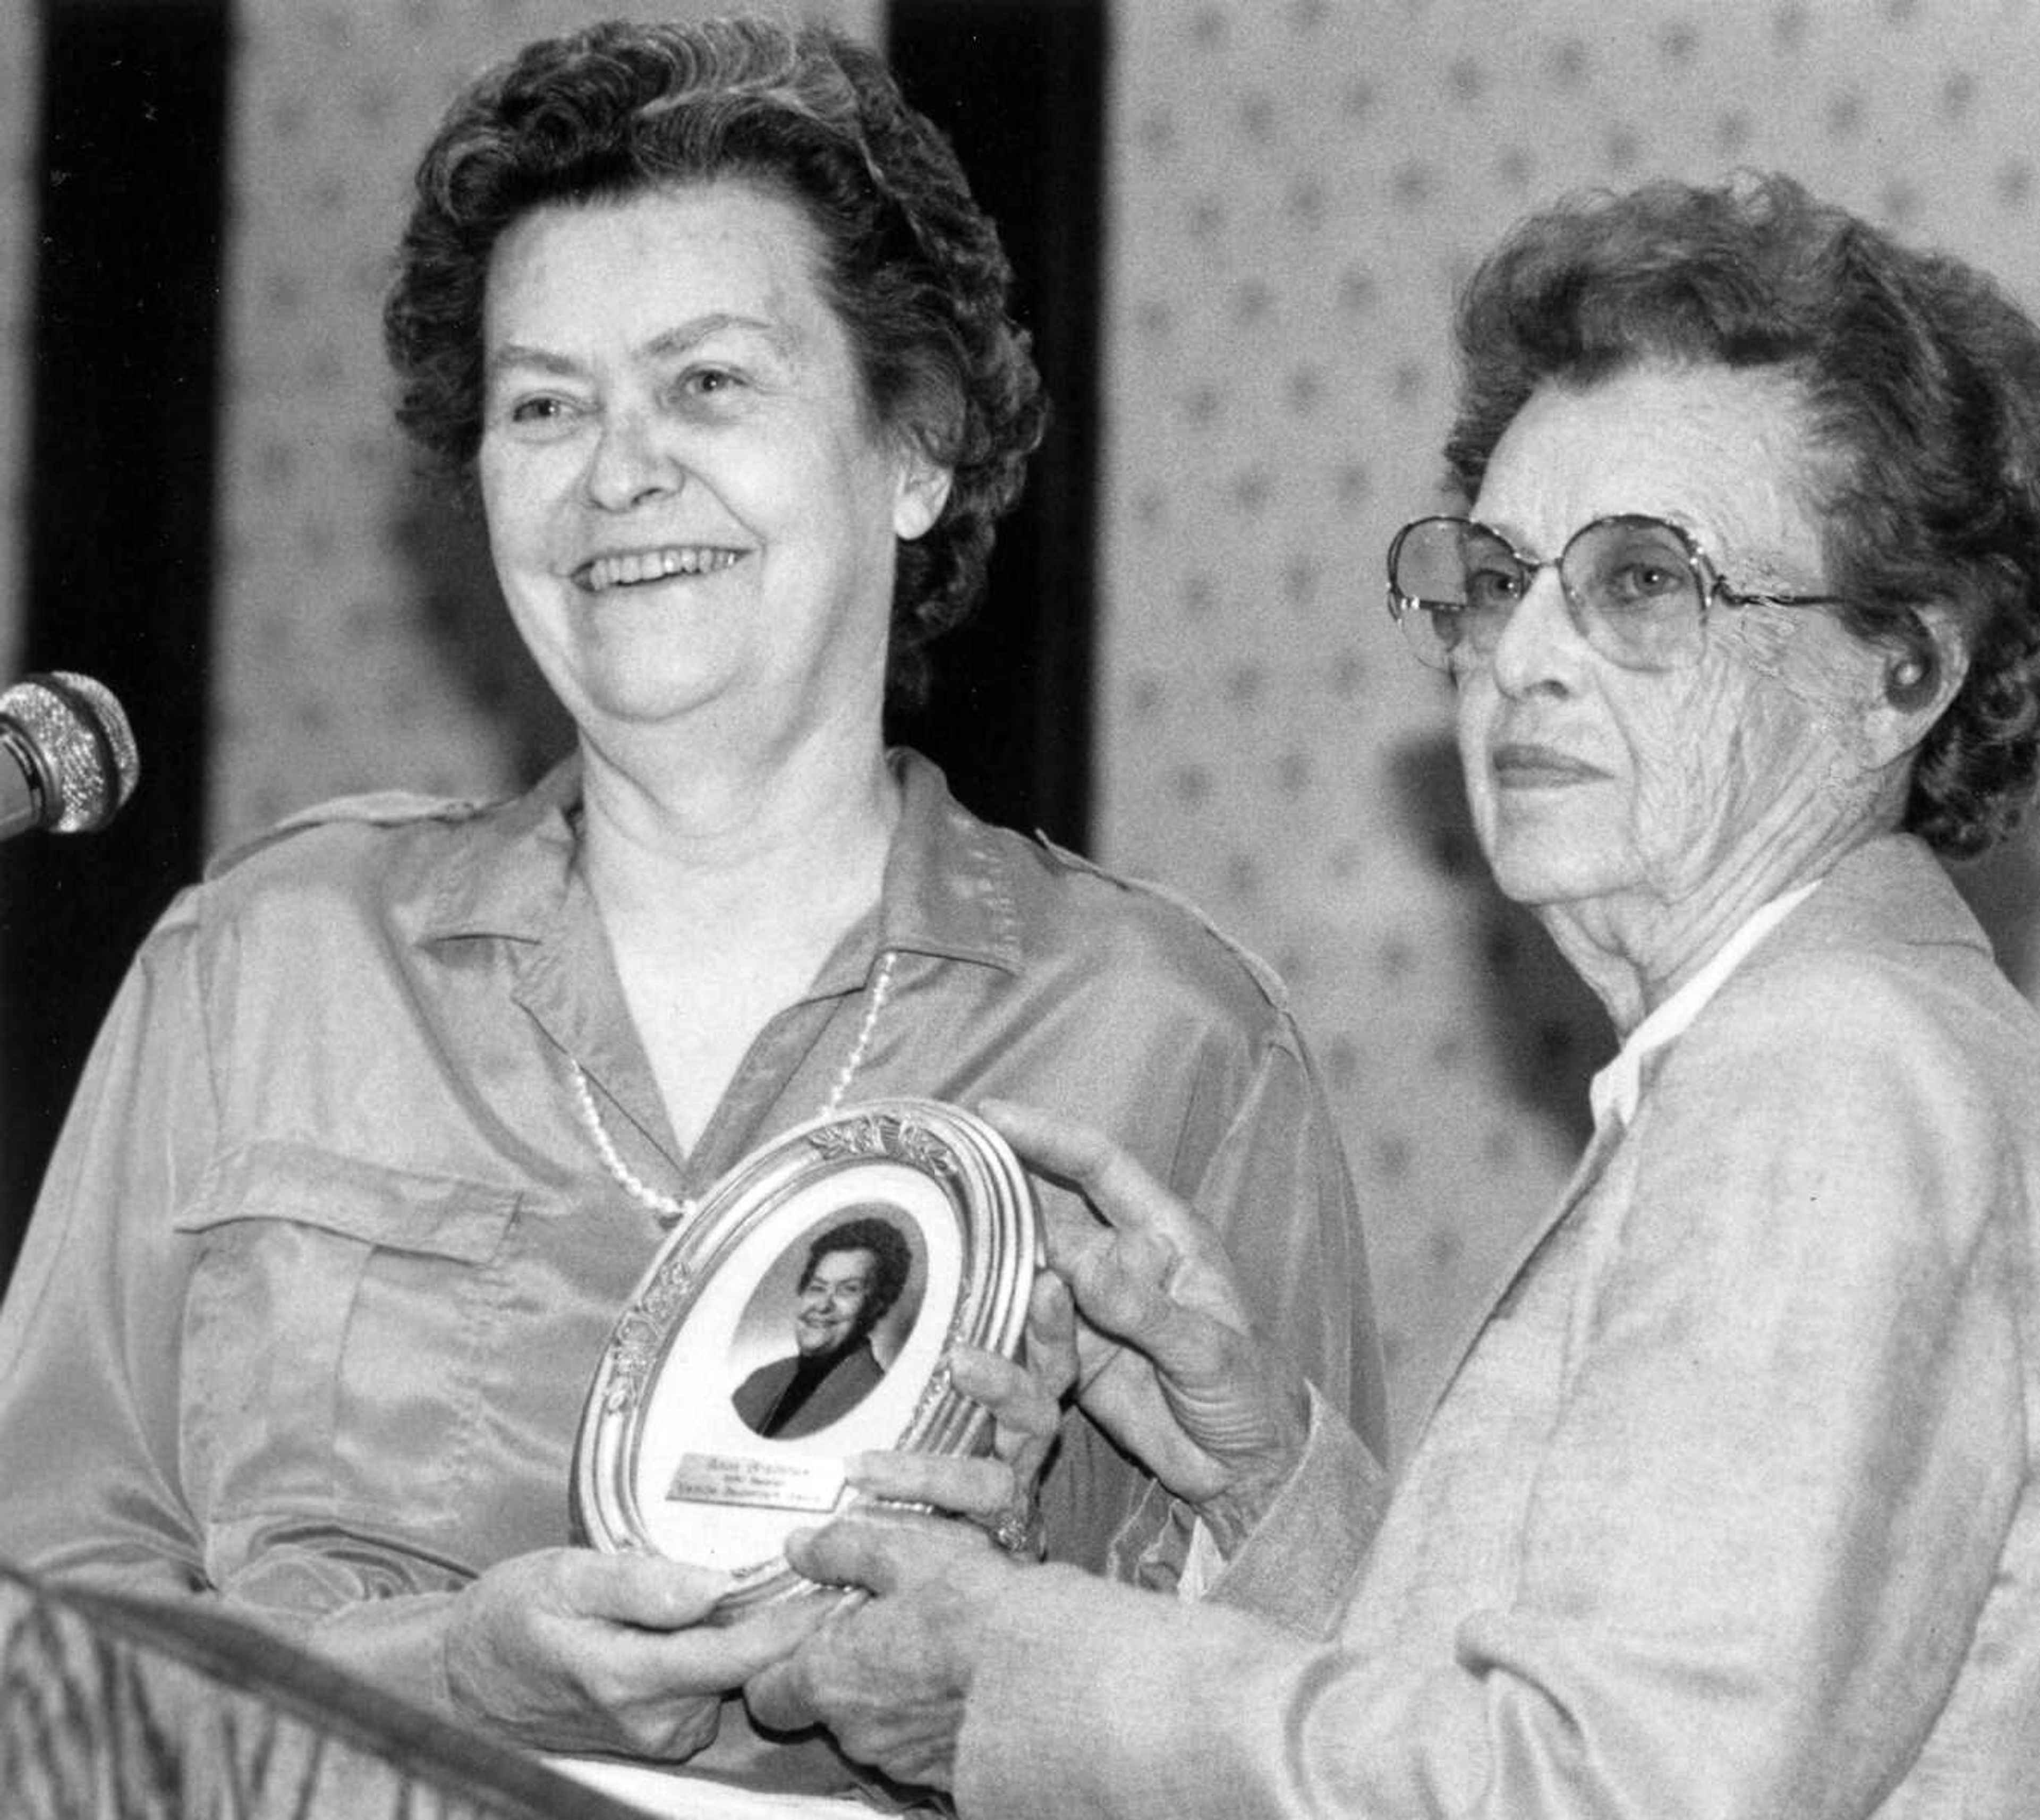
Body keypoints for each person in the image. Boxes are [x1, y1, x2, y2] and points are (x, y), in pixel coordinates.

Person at [0, 13, 1382, 1792]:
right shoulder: (268, 962)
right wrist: (442, 1671)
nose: (615, 469)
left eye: (708, 383)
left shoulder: (1173, 1039)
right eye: (543, 402)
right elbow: (32, 1662)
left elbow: (1324, 1737)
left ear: (914, 450)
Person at [749, 172, 2040, 1817]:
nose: (1521, 654)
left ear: (1897, 669)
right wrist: (1265, 1474)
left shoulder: (1831, 1074)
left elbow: (1596, 1797)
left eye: (1640, 580)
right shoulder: (1827, 1034)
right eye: (1494, 578)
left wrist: (1017, 1671)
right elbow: (1557, 1725)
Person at [732, 1214, 913, 1440]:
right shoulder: (761, 1381)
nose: (823, 1305)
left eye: (848, 1289)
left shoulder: (875, 1397)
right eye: (817, 1287)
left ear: (878, 1304)